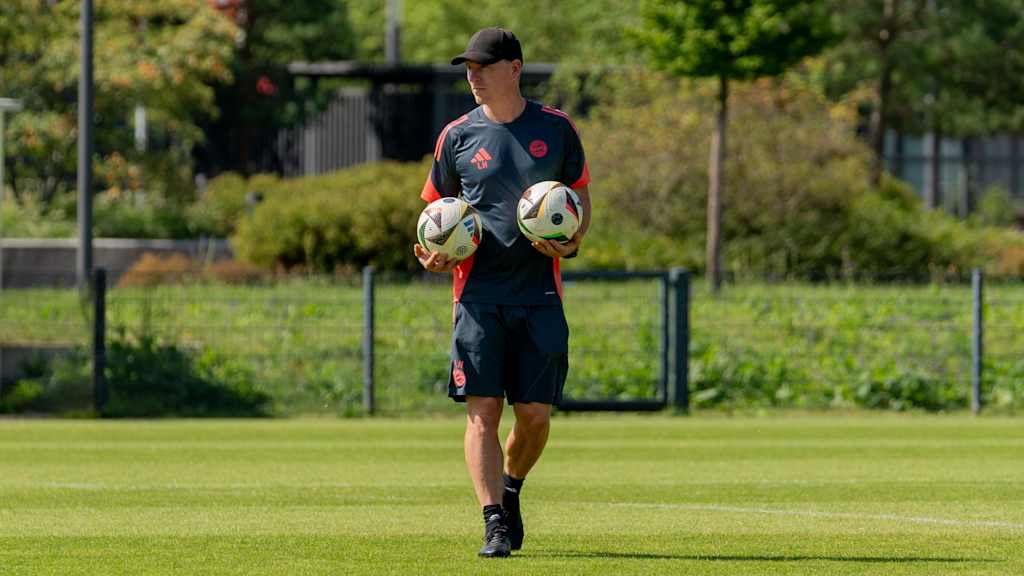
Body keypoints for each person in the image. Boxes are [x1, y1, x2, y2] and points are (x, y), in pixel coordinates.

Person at [412, 27, 591, 558]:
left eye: (482, 67)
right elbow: (432, 212)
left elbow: (578, 201)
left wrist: (572, 242)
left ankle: (510, 491)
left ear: (514, 68)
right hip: (477, 296)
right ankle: (492, 521)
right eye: (467, 68)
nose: (473, 77)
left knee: (534, 417)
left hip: (539, 294)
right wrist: (430, 253)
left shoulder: (556, 129)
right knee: (482, 411)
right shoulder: (456, 136)